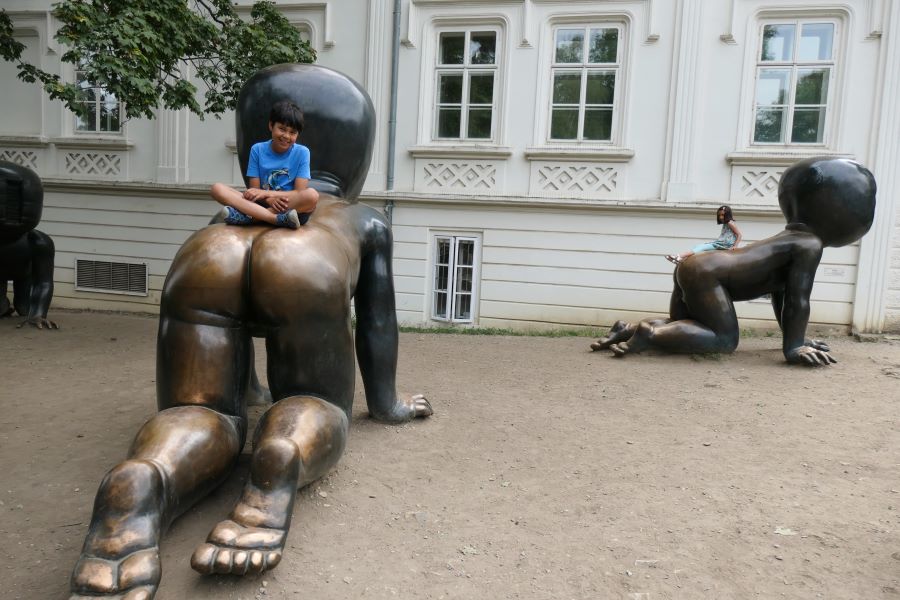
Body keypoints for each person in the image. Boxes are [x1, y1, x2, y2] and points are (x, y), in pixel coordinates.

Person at [591, 157, 876, 367]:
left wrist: (797, 340)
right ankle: (648, 333)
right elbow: (798, 302)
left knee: (687, 325)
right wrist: (793, 349)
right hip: (711, 274)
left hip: (700, 266)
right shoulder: (808, 245)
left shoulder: (790, 240)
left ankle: (627, 329)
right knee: (723, 340)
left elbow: (783, 297)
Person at [210, 100, 319, 229]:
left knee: (311, 195)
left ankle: (250, 218)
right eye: (282, 129)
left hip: (290, 207)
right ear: (271, 125)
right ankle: (273, 219)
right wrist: (269, 200)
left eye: (292, 132)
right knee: (217, 188)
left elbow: (299, 192)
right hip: (261, 204)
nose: (286, 136)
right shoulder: (257, 149)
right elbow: (254, 192)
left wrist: (268, 194)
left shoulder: (302, 152)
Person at [665, 205, 742, 264]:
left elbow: (739, 234)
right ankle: (682, 259)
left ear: (727, 215)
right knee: (698, 247)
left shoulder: (730, 223)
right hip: (721, 243)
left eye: (723, 215)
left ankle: (679, 256)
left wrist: (735, 246)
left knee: (701, 247)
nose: (721, 217)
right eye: (719, 215)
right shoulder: (726, 223)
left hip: (724, 244)